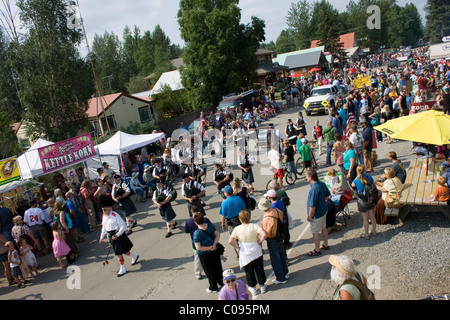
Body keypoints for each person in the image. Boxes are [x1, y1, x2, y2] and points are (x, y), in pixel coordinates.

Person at [228, 209, 267, 296]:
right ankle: (262, 286)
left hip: (245, 252)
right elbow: (264, 235)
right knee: (259, 269)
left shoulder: (237, 229)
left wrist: (237, 247)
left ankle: (252, 288)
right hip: (256, 251)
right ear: (248, 217)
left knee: (249, 271)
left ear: (240, 219)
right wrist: (260, 241)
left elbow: (230, 241)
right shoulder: (254, 226)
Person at [98, 195, 139, 277]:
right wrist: (101, 237)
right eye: (102, 209)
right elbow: (104, 227)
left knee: (118, 253)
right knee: (124, 251)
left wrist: (117, 235)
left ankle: (122, 268)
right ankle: (134, 256)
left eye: (104, 209)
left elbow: (123, 226)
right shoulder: (104, 217)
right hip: (111, 237)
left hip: (118, 236)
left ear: (109, 208)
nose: (103, 211)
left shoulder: (115, 215)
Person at [259, 198, 289, 284]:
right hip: (280, 236)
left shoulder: (267, 218)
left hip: (273, 239)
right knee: (282, 255)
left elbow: (268, 233)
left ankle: (280, 278)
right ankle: (285, 273)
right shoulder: (276, 210)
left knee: (275, 259)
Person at [192, 212, 223, 293]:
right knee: (218, 267)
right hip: (214, 250)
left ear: (195, 222)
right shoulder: (210, 226)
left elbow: (198, 247)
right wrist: (214, 245)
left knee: (209, 270)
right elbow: (217, 235)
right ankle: (221, 282)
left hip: (204, 254)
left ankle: (213, 287)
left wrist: (209, 248)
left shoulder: (196, 233)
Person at [305, 168, 331, 256]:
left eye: (306, 176)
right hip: (323, 210)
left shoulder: (313, 189)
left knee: (315, 232)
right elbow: (327, 196)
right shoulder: (321, 184)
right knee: (324, 227)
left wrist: (309, 216)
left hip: (316, 214)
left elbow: (312, 205)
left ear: (310, 177)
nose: (306, 177)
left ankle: (317, 249)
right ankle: (326, 244)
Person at [352, 165, 377, 240]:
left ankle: (366, 234)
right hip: (371, 198)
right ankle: (374, 230)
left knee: (365, 218)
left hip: (362, 200)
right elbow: (373, 185)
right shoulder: (369, 177)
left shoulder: (356, 181)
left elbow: (354, 188)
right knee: (372, 215)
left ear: (357, 171)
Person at [185, 209, 211, 280]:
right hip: (207, 242)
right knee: (210, 257)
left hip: (196, 244)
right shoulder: (206, 220)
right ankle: (211, 269)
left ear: (191, 211)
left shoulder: (188, 221)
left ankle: (198, 273)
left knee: (197, 259)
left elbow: (187, 231)